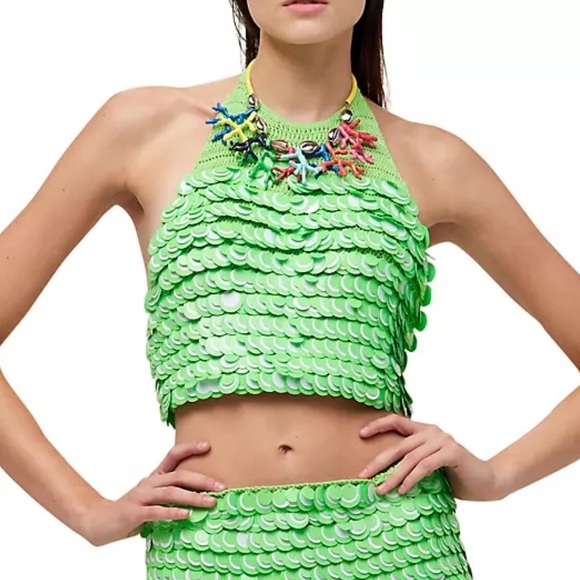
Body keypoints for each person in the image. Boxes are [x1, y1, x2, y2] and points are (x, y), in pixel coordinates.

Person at [1, 0, 579, 578]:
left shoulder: (435, 161)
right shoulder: (141, 128)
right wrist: (87, 514)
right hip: (207, 549)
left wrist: (497, 476)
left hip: (396, 544)